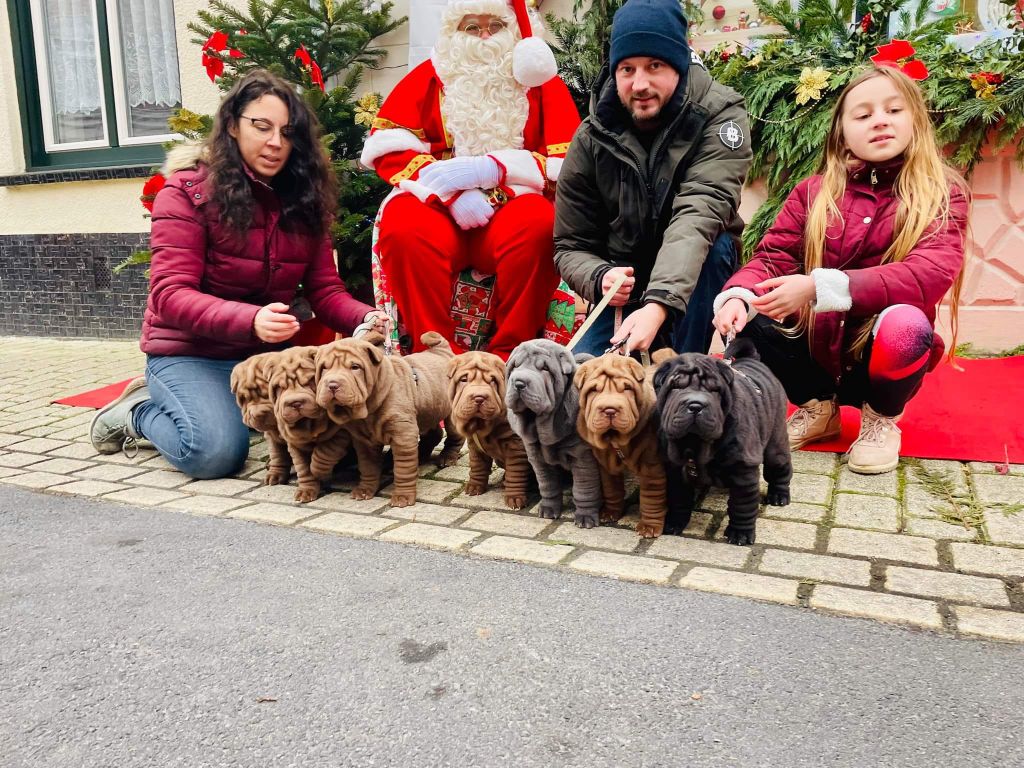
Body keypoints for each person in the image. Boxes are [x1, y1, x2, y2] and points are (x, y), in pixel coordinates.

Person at [89, 70, 386, 479]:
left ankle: (234, 409)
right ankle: (138, 413)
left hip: (264, 357)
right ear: (232, 125)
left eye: (287, 132)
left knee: (347, 434)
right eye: (261, 127)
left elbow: (324, 289)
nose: (275, 143)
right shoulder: (186, 194)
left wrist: (365, 317)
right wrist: (252, 320)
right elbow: (169, 296)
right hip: (190, 353)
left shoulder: (306, 200)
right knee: (214, 454)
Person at [712, 66, 969, 475]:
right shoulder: (812, 193)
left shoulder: (943, 193)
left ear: (916, 120)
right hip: (816, 341)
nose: (880, 120)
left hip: (877, 346)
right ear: (841, 133)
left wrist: (818, 286)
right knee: (751, 309)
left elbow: (928, 273)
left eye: (893, 110)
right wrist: (740, 295)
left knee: (907, 324)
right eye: (863, 115)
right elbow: (773, 256)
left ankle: (881, 419)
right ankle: (817, 408)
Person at [361, 0, 581, 360]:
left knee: (541, 225)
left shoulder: (540, 83)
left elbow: (566, 164)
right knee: (402, 225)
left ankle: (510, 355)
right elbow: (390, 148)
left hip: (512, 208)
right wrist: (447, 193)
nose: (482, 36)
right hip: (440, 210)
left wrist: (495, 170)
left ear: (513, 31)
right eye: (471, 27)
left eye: (494, 26)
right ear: (454, 32)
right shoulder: (432, 76)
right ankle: (433, 354)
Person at [554, 0, 752, 357]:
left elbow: (698, 215)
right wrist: (600, 276)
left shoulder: (719, 117)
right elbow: (570, 244)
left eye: (654, 66)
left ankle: (686, 370)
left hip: (694, 280)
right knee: (582, 378)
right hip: (625, 290)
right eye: (627, 69)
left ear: (678, 63)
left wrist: (658, 305)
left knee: (717, 245)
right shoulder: (591, 136)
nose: (639, 83)